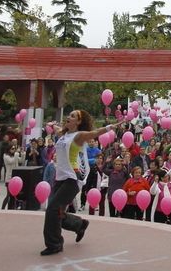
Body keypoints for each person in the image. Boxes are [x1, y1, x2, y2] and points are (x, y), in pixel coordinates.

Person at [41, 110, 117, 256]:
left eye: (72, 116)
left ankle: (54, 244)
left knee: (52, 210)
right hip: (60, 178)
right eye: (69, 115)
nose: (68, 117)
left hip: (72, 180)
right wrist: (51, 125)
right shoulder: (63, 134)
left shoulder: (79, 136)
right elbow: (55, 128)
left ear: (79, 122)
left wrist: (109, 128)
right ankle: (79, 224)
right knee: (57, 212)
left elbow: (94, 133)